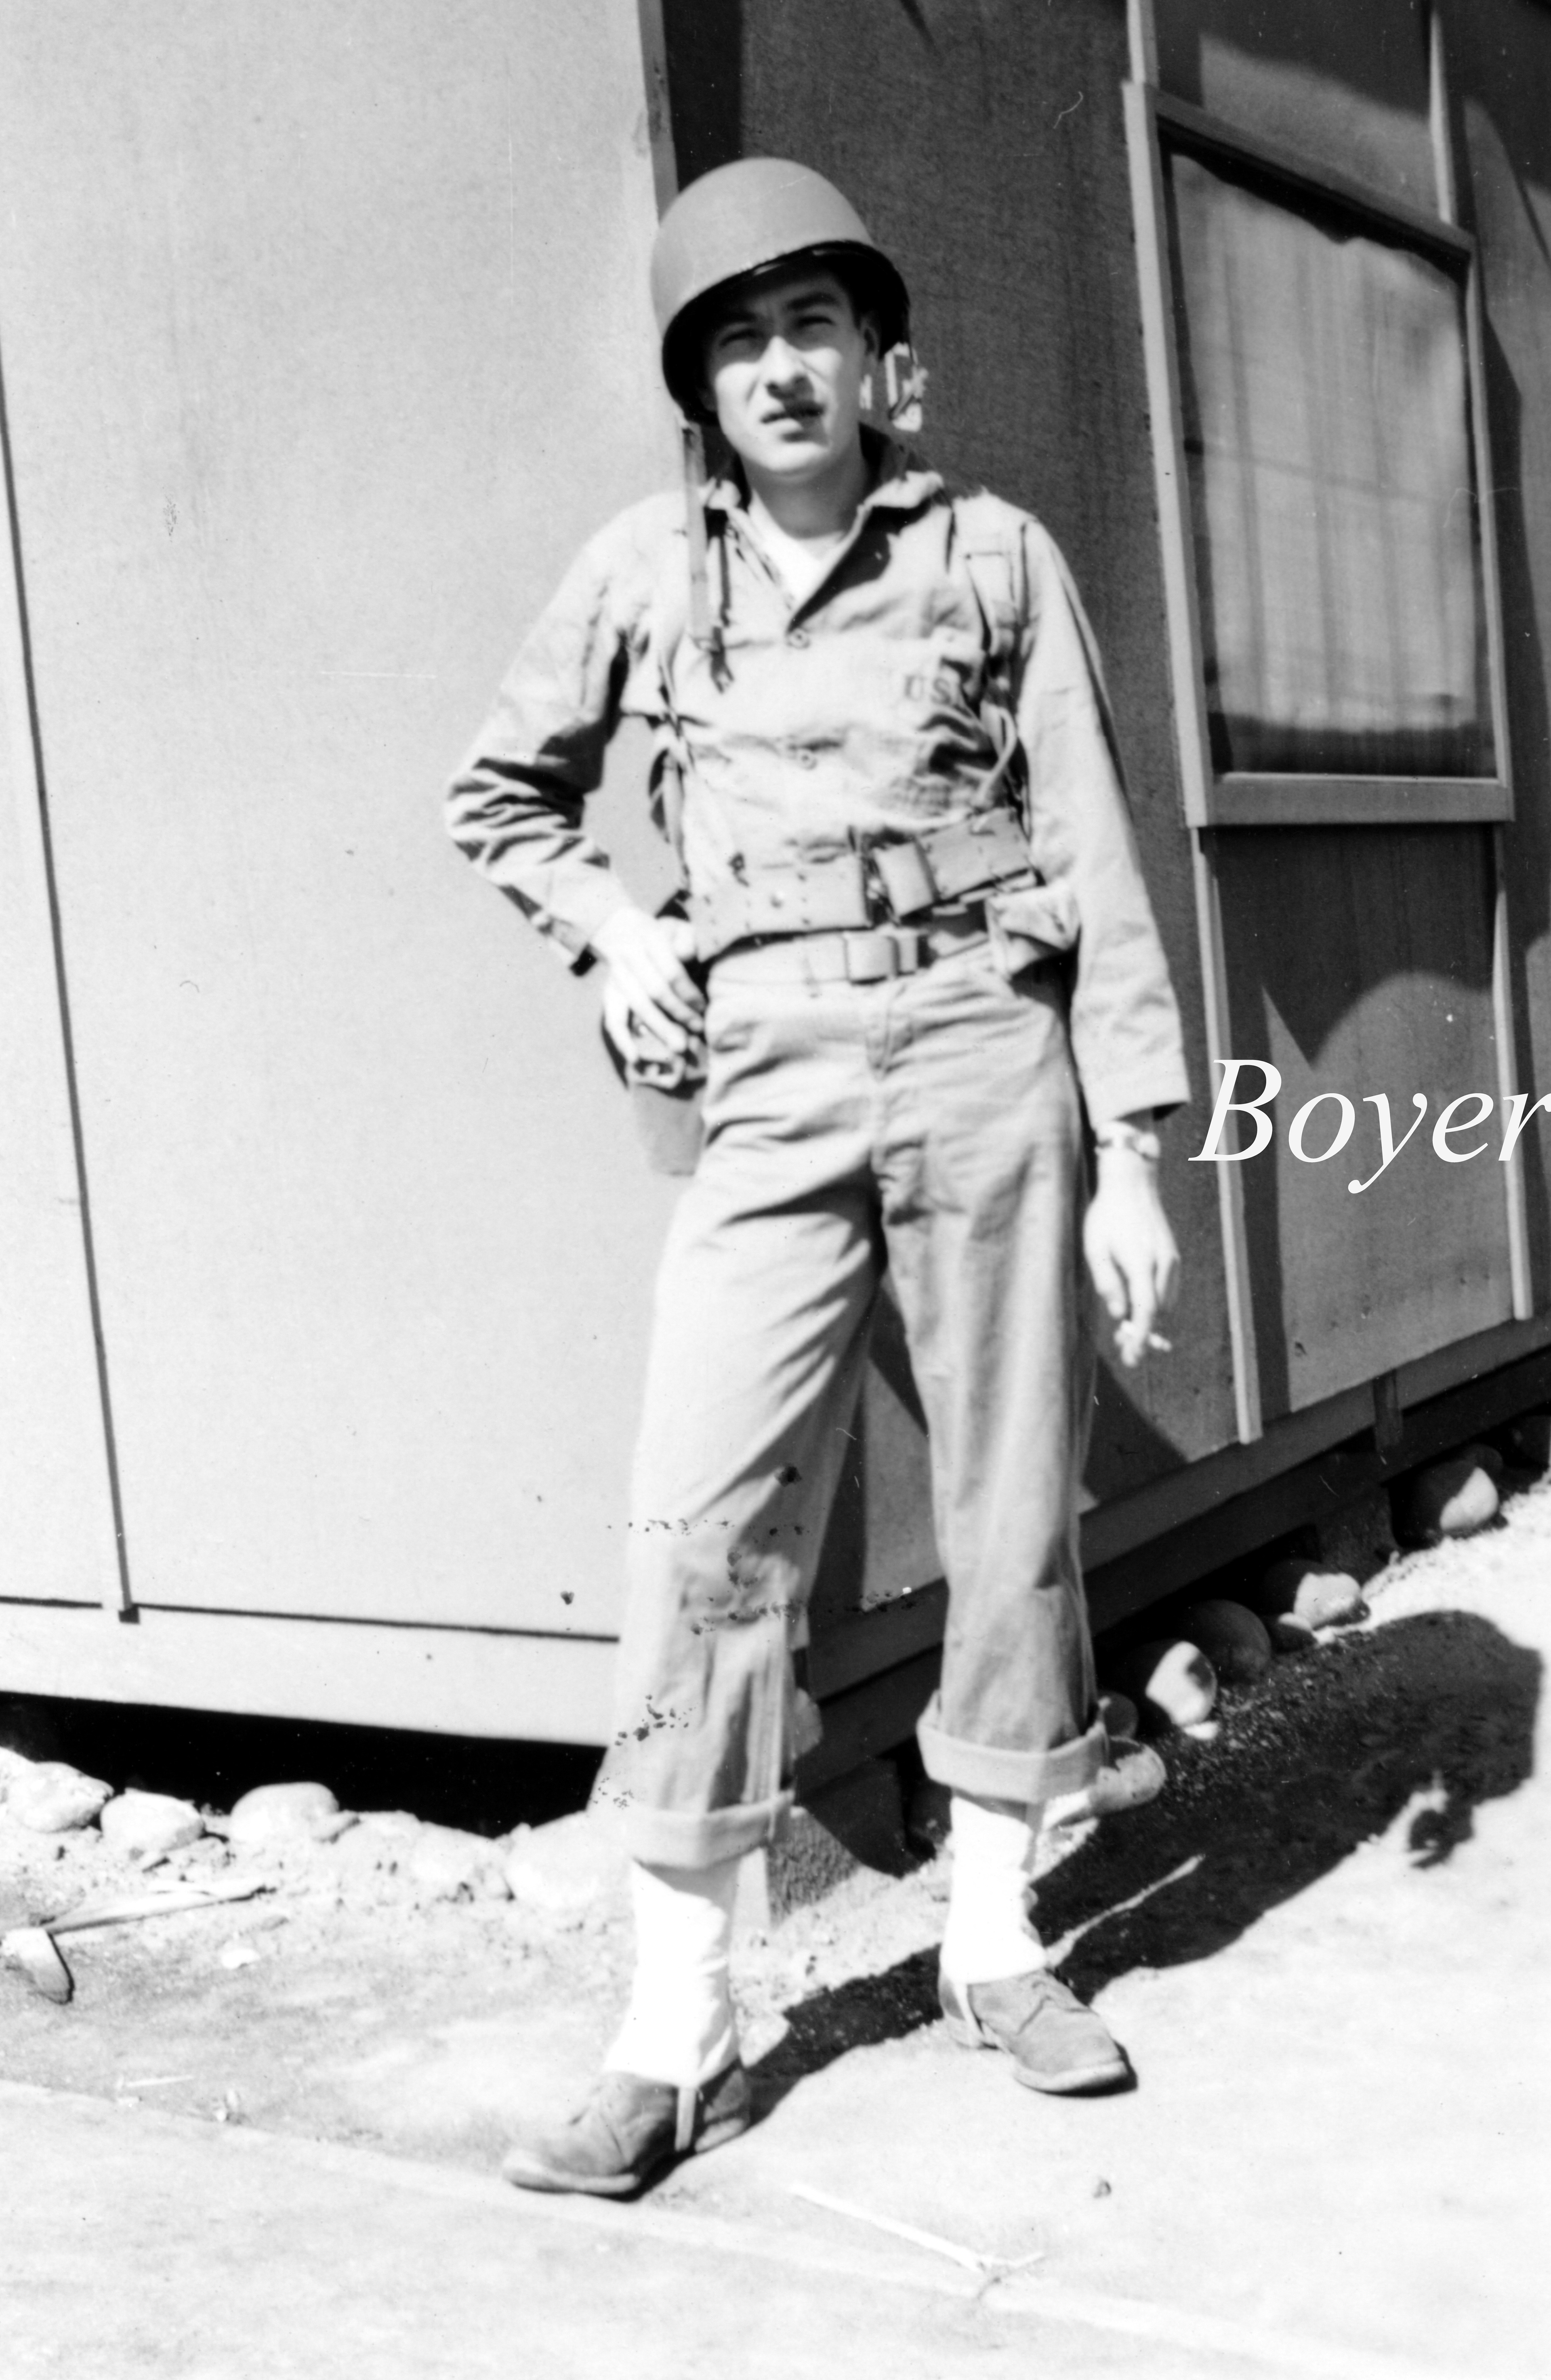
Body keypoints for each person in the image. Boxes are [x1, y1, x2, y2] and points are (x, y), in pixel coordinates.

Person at [446, 158, 1188, 2197]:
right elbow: (499, 796)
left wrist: (1134, 1152)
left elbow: (1100, 854)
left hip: (985, 1051)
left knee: (1011, 1502)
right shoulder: (644, 571)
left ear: (876, 357)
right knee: (699, 1518)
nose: (780, 370)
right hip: (767, 1080)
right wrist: (617, 929)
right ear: (702, 388)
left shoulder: (994, 559)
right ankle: (675, 2028)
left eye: (812, 327)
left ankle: (996, 1944)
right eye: (738, 344)